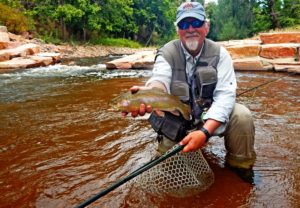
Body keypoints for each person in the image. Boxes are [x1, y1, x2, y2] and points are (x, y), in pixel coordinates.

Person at [122, 2, 256, 183]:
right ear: (178, 30)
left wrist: (204, 133)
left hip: (208, 116)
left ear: (206, 27)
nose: (190, 29)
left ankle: (240, 168)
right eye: (184, 25)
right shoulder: (167, 53)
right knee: (169, 172)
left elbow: (225, 95)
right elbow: (159, 79)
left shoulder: (220, 54)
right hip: (176, 121)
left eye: (196, 23)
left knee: (242, 115)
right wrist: (149, 93)